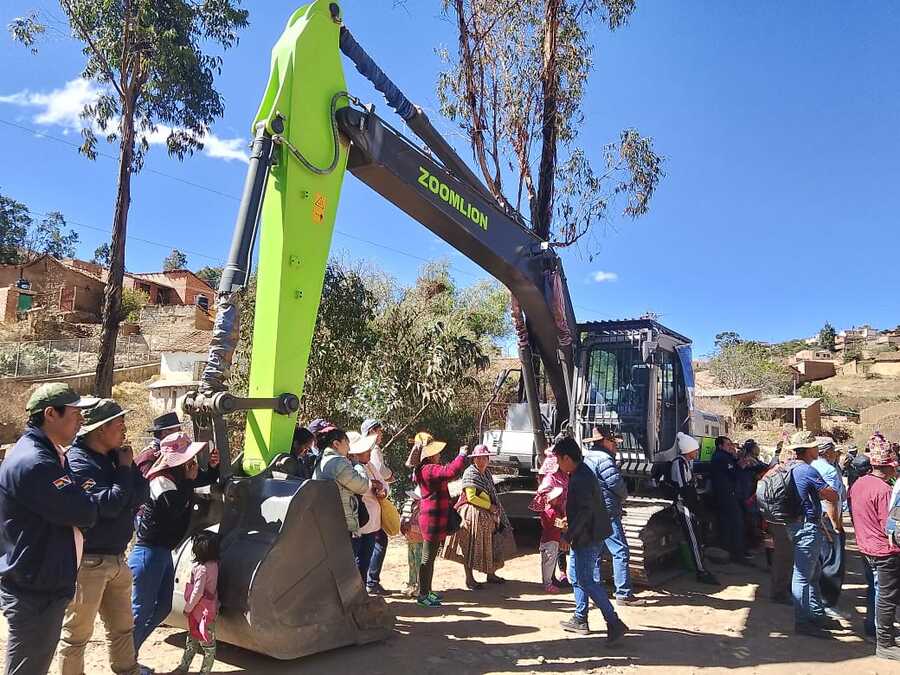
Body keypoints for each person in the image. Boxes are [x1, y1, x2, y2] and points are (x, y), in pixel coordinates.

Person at [0, 383, 99, 675]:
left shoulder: (47, 454)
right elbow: (85, 511)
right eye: (75, 412)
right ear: (50, 414)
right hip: (35, 588)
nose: (81, 419)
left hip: (40, 581)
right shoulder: (36, 462)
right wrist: (87, 501)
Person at [61, 399, 147, 675]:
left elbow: (141, 494)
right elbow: (108, 506)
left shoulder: (116, 456)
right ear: (100, 430)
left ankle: (127, 670)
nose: (124, 429)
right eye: (118, 424)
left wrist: (123, 482)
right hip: (88, 564)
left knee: (123, 628)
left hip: (117, 559)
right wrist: (123, 472)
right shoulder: (78, 462)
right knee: (77, 634)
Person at [130, 432, 220, 656]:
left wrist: (212, 468)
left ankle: (129, 654)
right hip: (149, 552)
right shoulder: (160, 479)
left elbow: (202, 480)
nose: (191, 462)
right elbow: (172, 507)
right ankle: (126, 659)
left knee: (162, 608)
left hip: (163, 552)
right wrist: (189, 481)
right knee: (141, 611)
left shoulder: (179, 476)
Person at [554, 437, 628, 643]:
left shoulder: (581, 477)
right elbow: (585, 507)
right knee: (577, 576)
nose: (558, 465)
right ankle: (580, 618)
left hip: (587, 536)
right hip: (589, 532)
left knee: (586, 580)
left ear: (567, 458)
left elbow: (586, 511)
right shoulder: (581, 472)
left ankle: (613, 622)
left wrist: (569, 535)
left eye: (559, 460)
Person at [848, 436, 900, 660]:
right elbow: (889, 526)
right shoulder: (884, 491)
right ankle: (885, 643)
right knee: (887, 597)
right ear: (888, 466)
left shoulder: (859, 484)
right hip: (884, 550)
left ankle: (875, 629)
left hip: (865, 547)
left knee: (876, 591)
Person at [784, 431, 840, 638]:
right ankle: (803, 621)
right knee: (802, 576)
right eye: (815, 446)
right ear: (808, 450)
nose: (817, 449)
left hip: (794, 525)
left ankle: (815, 614)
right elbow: (831, 494)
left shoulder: (789, 467)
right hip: (807, 527)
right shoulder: (807, 470)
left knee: (813, 573)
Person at [584, 425, 644, 606]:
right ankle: (623, 593)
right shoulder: (604, 460)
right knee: (620, 551)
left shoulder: (587, 458)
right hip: (607, 512)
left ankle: (595, 592)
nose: (616, 445)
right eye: (614, 442)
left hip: (591, 511)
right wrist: (624, 496)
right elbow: (617, 486)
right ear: (606, 442)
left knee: (594, 553)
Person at [443, 444, 514, 589]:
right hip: (471, 514)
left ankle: (491, 573)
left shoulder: (486, 473)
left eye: (484, 458)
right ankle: (470, 579)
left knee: (491, 543)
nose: (482, 461)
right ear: (474, 459)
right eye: (478, 458)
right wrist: (489, 507)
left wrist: (493, 509)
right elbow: (471, 497)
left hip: (488, 514)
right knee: (470, 545)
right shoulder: (470, 473)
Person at [413, 433, 470, 608]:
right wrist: (461, 455)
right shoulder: (428, 469)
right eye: (436, 452)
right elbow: (450, 471)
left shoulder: (423, 469)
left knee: (429, 559)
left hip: (434, 519)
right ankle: (423, 595)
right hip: (431, 520)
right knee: (427, 558)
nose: (439, 455)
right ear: (429, 454)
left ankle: (427, 591)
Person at [313, 428, 373, 575]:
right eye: (346, 442)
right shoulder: (339, 463)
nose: (349, 447)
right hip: (344, 522)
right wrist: (358, 465)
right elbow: (362, 486)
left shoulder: (321, 461)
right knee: (345, 568)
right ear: (336, 444)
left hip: (328, 522)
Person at [670, 432, 719, 585]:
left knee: (697, 537)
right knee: (693, 538)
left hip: (689, 503)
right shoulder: (679, 463)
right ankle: (700, 571)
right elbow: (683, 488)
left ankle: (701, 566)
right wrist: (693, 505)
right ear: (687, 450)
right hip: (685, 505)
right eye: (695, 450)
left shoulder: (686, 463)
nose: (697, 452)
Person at [171, 530, 220, 675]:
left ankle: (184, 667)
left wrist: (187, 608)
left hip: (198, 612)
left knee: (194, 642)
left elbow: (197, 592)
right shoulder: (215, 565)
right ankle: (203, 671)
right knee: (208, 644)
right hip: (209, 611)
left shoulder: (201, 569)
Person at [811, 438, 847, 612]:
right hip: (828, 518)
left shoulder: (811, 466)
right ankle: (828, 603)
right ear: (827, 452)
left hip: (814, 517)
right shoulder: (829, 470)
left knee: (818, 559)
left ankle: (816, 599)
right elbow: (831, 500)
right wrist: (836, 525)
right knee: (833, 561)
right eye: (834, 451)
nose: (836, 454)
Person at [361, 419, 396, 595]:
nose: (381, 434)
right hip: (369, 512)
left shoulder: (371, 452)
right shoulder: (373, 450)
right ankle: (371, 581)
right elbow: (379, 470)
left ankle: (370, 581)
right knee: (378, 542)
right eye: (379, 431)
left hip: (371, 510)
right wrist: (388, 476)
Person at [348, 431, 387, 583]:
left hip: (371, 523)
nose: (369, 452)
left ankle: (364, 591)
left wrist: (382, 491)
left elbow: (383, 484)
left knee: (365, 560)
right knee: (357, 561)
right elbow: (357, 487)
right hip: (358, 522)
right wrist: (372, 485)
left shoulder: (369, 465)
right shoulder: (349, 468)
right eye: (366, 450)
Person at [710, 435, 751, 565]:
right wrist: (740, 465)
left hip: (727, 494)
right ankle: (737, 553)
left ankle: (730, 551)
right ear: (720, 446)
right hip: (726, 495)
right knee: (736, 523)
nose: (731, 447)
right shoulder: (721, 457)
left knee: (728, 523)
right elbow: (733, 473)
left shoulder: (726, 457)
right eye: (728, 445)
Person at [537, 445, 570, 586]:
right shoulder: (549, 478)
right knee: (554, 544)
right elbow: (542, 494)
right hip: (553, 514)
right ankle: (550, 579)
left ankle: (562, 573)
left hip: (563, 511)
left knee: (559, 543)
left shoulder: (565, 475)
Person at [537, 486, 567, 592]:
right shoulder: (552, 512)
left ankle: (546, 582)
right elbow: (560, 525)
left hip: (547, 539)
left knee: (546, 562)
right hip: (551, 540)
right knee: (549, 563)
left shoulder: (547, 510)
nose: (558, 499)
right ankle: (548, 584)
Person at [136, 412, 183, 476]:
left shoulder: (173, 451)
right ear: (164, 433)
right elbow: (146, 483)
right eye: (178, 431)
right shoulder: (150, 456)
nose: (181, 434)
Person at [400, 489, 424, 597]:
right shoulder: (411, 504)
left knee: (419, 565)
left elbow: (424, 526)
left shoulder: (423, 507)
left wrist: (411, 527)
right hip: (411, 540)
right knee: (412, 564)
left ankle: (420, 586)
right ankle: (412, 584)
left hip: (420, 540)